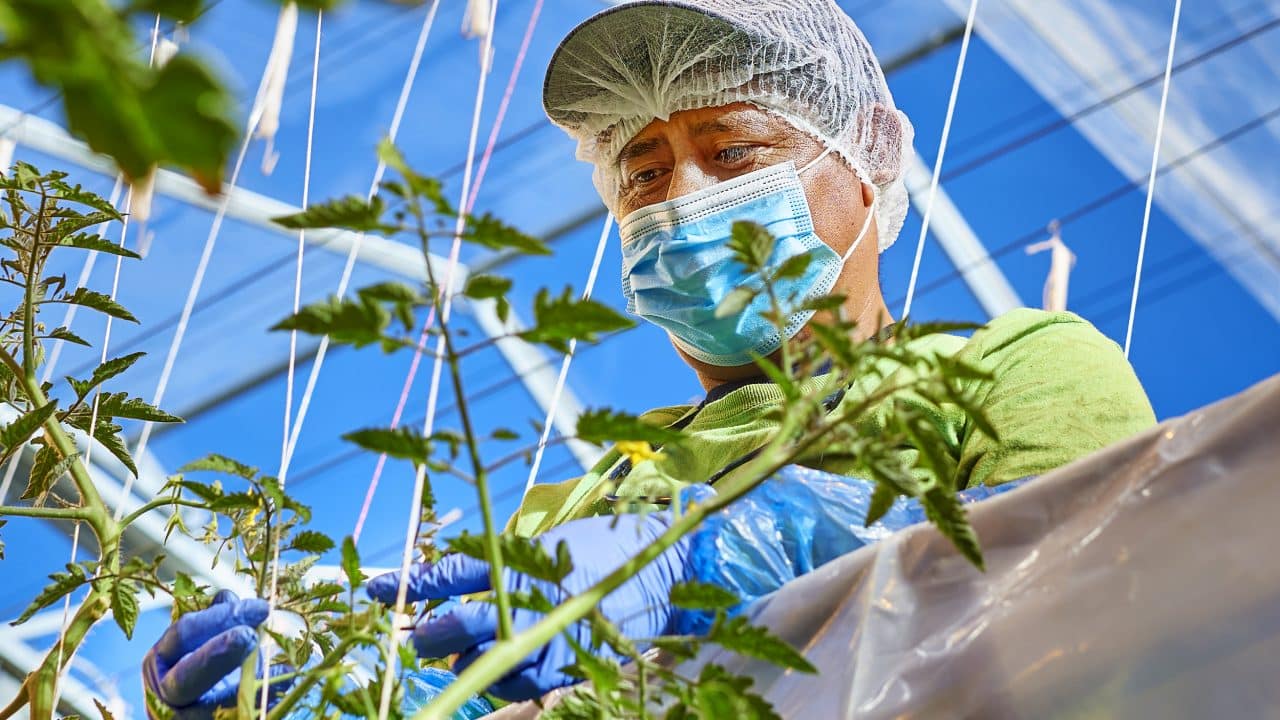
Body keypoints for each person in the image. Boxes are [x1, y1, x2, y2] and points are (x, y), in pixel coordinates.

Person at [142, 0, 1156, 716]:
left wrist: (709, 563)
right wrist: (323, 682)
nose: (679, 200)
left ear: (867, 163)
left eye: (733, 153)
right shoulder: (570, 510)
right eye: (642, 171)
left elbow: (1087, 608)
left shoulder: (1020, 367)